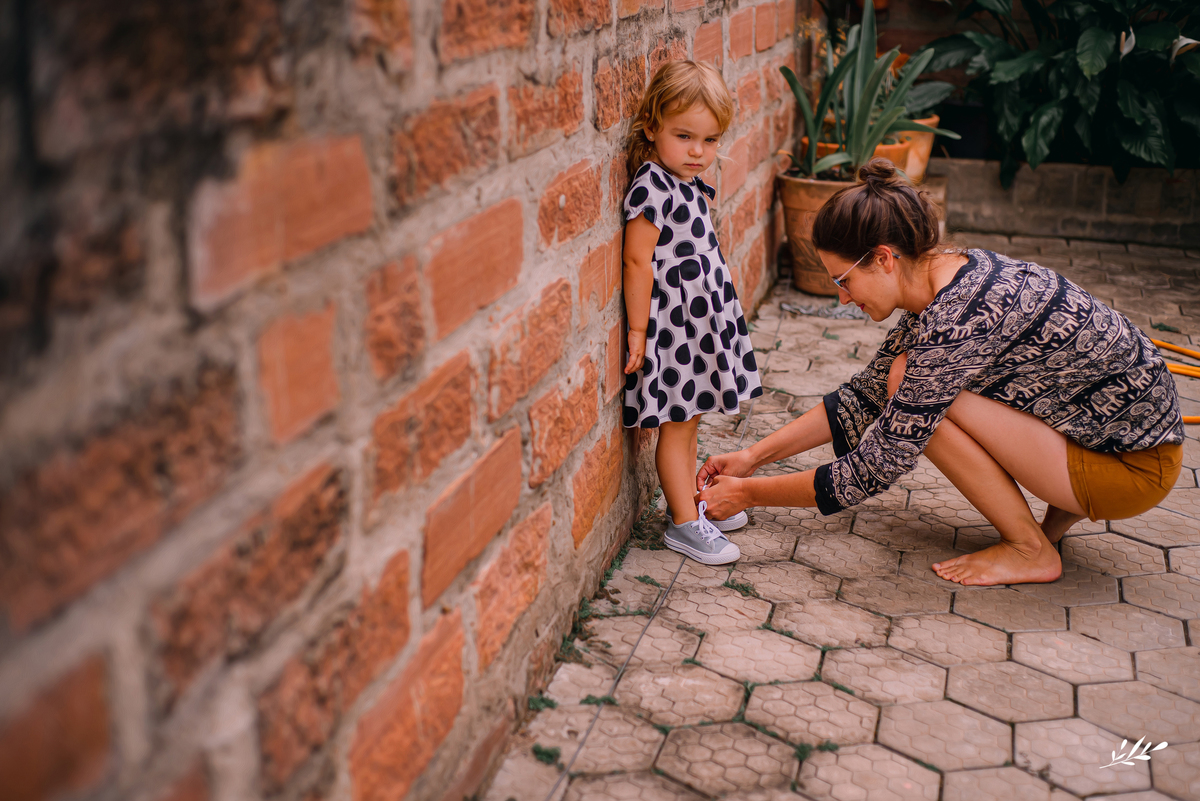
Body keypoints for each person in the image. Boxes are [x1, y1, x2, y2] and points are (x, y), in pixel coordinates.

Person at [696, 159, 1184, 585]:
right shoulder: (948, 277)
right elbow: (863, 396)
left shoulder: (956, 320)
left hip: (1132, 470)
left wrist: (748, 495)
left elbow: (874, 468)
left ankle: (1029, 551)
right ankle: (1047, 531)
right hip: (1114, 441)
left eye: (844, 281)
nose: (842, 297)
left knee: (909, 388)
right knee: (898, 383)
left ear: (884, 258)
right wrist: (751, 457)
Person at [621, 61, 763, 565]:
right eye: (684, 136)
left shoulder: (685, 181)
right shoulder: (652, 186)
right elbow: (637, 260)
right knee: (677, 424)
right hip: (675, 329)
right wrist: (638, 330)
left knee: (692, 419)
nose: (699, 151)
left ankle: (693, 504)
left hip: (700, 325)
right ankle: (684, 523)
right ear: (651, 125)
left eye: (710, 139)